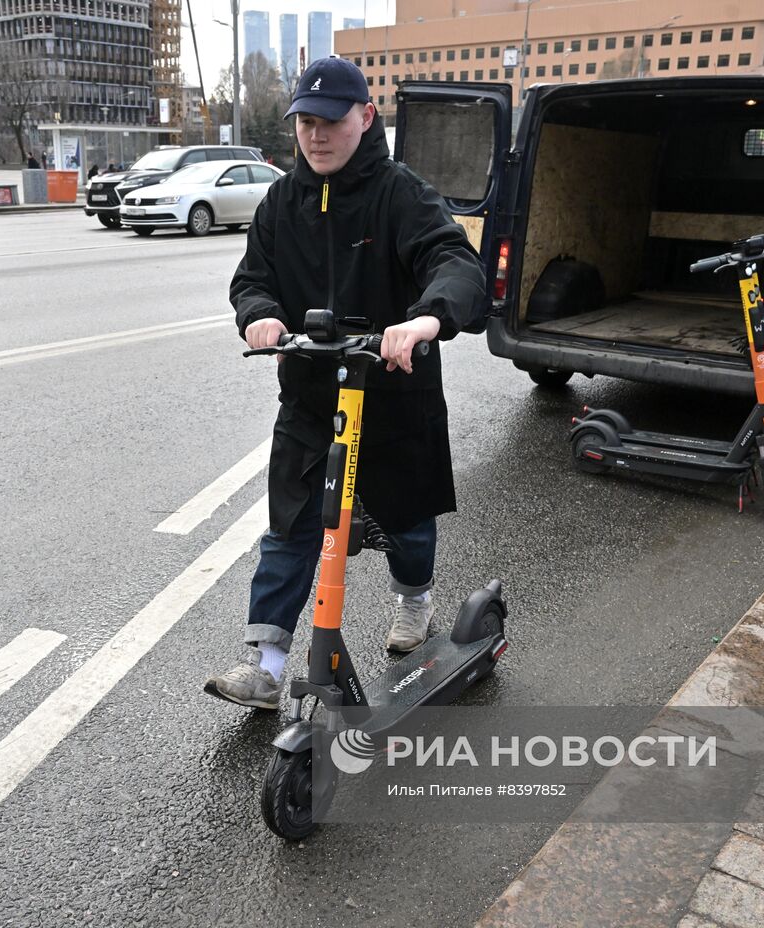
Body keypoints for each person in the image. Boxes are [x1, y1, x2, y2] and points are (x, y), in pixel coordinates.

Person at [204, 56, 485, 710]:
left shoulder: (400, 194)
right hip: (311, 398)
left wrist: (423, 319)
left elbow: (455, 263)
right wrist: (261, 316)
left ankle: (414, 603)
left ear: (365, 117)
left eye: (330, 120)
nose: (316, 134)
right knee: (290, 532)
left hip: (392, 395)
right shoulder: (281, 203)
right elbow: (253, 281)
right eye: (304, 120)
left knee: (408, 522)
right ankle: (268, 664)